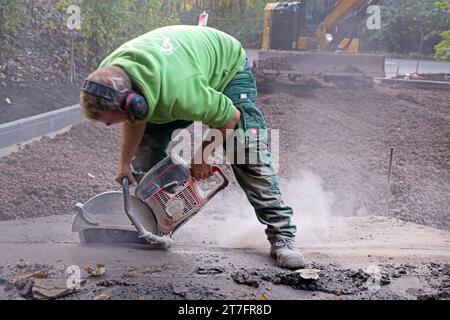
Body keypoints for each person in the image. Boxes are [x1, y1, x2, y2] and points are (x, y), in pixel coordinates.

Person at [79, 25, 306, 270]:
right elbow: (137, 119)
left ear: (133, 102)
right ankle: (156, 224)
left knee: (243, 147)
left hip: (226, 67)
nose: (108, 125)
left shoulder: (182, 91)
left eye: (109, 119)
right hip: (176, 73)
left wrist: (202, 156)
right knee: (146, 150)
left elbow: (229, 116)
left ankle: (282, 235)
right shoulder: (111, 76)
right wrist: (124, 163)